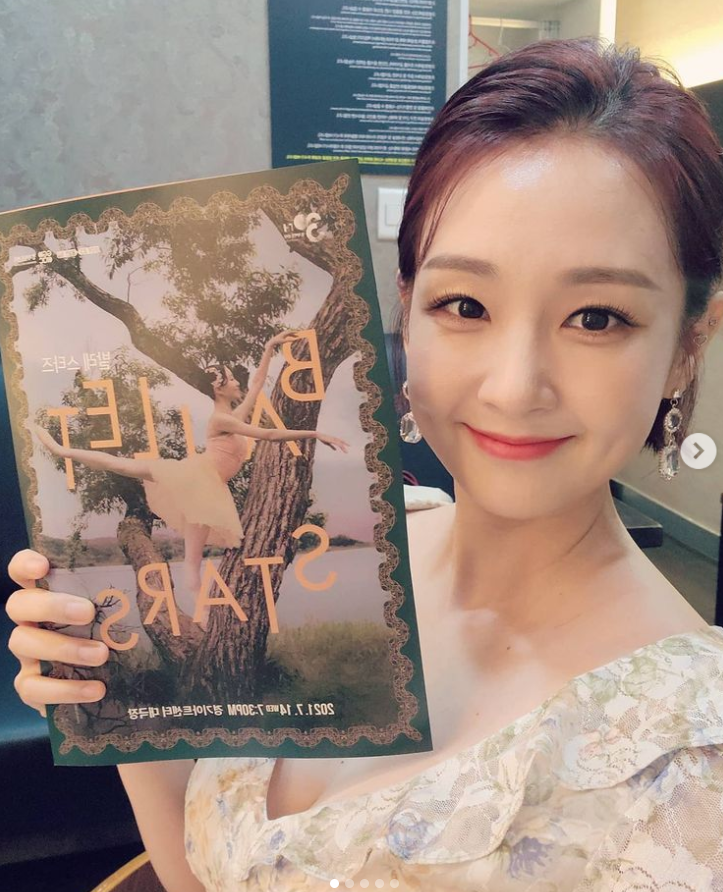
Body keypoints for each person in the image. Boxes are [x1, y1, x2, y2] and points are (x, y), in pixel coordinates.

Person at [7, 36, 723, 891]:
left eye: (596, 318)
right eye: (465, 305)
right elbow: (199, 873)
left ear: (688, 345)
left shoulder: (689, 775)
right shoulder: (371, 546)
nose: (513, 386)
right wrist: (113, 694)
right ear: (407, 310)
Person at [34, 330, 350, 620]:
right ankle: (61, 450)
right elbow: (268, 434)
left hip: (207, 484)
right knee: (123, 467)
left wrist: (269, 348)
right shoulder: (220, 420)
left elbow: (256, 385)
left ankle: (202, 613)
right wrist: (315, 433)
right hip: (198, 479)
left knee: (191, 558)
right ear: (218, 386)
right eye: (231, 379)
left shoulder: (233, 416)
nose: (237, 383)